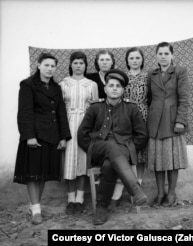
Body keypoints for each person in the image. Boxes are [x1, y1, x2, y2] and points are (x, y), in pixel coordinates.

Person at [78, 69, 148, 225]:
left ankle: (102, 207)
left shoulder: (131, 108)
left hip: (123, 150)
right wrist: (91, 148)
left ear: (123, 90)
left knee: (110, 164)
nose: (114, 88)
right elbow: (82, 134)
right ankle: (135, 190)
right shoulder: (95, 108)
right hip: (98, 149)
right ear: (105, 89)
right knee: (109, 146)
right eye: (111, 85)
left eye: (118, 86)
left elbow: (142, 135)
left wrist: (130, 148)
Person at [13, 52, 71, 225]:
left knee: (43, 174)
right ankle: (36, 208)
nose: (50, 69)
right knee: (33, 174)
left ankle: (34, 205)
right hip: (35, 136)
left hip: (52, 137)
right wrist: (29, 136)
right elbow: (24, 113)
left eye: (53, 66)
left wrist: (63, 137)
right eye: (46, 65)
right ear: (38, 65)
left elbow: (61, 113)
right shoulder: (28, 85)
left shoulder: (56, 87)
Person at [147, 42, 190, 207]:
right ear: (156, 56)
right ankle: (160, 193)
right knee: (158, 160)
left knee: (173, 160)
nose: (163, 57)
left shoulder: (180, 71)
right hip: (155, 121)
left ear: (172, 55)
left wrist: (180, 120)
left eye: (166, 53)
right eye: (160, 54)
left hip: (172, 121)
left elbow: (184, 98)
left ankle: (171, 194)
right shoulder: (152, 73)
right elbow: (150, 97)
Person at [59, 51, 98, 215]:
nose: (78, 66)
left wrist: (93, 131)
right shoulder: (63, 84)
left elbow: (95, 108)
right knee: (68, 162)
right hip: (67, 122)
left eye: (81, 63)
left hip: (85, 124)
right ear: (70, 65)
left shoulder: (91, 84)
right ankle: (70, 199)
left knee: (83, 161)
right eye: (75, 62)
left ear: (85, 65)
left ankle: (80, 199)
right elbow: (59, 109)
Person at [109, 47, 148, 209]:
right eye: (131, 58)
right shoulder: (122, 78)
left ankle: (136, 189)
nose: (134, 60)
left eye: (137, 57)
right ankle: (118, 194)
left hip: (143, 115)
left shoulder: (148, 77)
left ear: (142, 59)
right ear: (127, 60)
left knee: (140, 156)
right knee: (126, 153)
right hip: (126, 116)